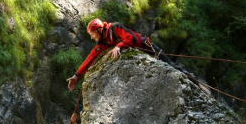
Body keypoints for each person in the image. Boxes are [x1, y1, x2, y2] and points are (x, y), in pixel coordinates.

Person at [66, 18, 210, 95]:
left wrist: (118, 46)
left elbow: (132, 39)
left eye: (92, 34)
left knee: (171, 66)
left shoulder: (115, 27)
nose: (91, 38)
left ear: (99, 30)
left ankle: (196, 84)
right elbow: (90, 57)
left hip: (148, 47)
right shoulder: (104, 41)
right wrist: (76, 76)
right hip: (142, 52)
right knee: (168, 68)